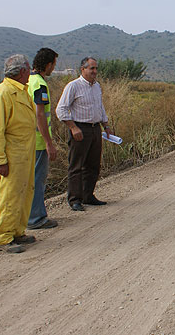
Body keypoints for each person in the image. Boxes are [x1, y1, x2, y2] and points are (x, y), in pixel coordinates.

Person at [0, 54, 37, 253]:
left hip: (26, 151)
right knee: (10, 195)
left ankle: (18, 231)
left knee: (25, 192)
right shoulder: (3, 93)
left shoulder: (22, 91)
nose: (30, 73)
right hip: (13, 153)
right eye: (28, 69)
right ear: (22, 71)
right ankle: (3, 237)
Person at [56, 57, 114, 211]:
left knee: (93, 165)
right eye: (91, 68)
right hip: (80, 129)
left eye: (96, 68)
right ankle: (75, 199)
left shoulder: (96, 86)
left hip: (95, 129)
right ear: (83, 69)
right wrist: (73, 127)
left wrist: (105, 125)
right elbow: (61, 109)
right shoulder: (73, 86)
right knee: (77, 166)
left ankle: (88, 195)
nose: (94, 71)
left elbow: (100, 107)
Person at [26, 48, 60, 230]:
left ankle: (28, 216)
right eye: (54, 64)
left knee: (29, 180)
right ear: (48, 64)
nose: (53, 68)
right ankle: (36, 218)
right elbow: (40, 115)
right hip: (38, 141)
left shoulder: (27, 81)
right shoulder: (40, 84)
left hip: (27, 139)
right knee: (37, 180)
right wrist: (48, 142)